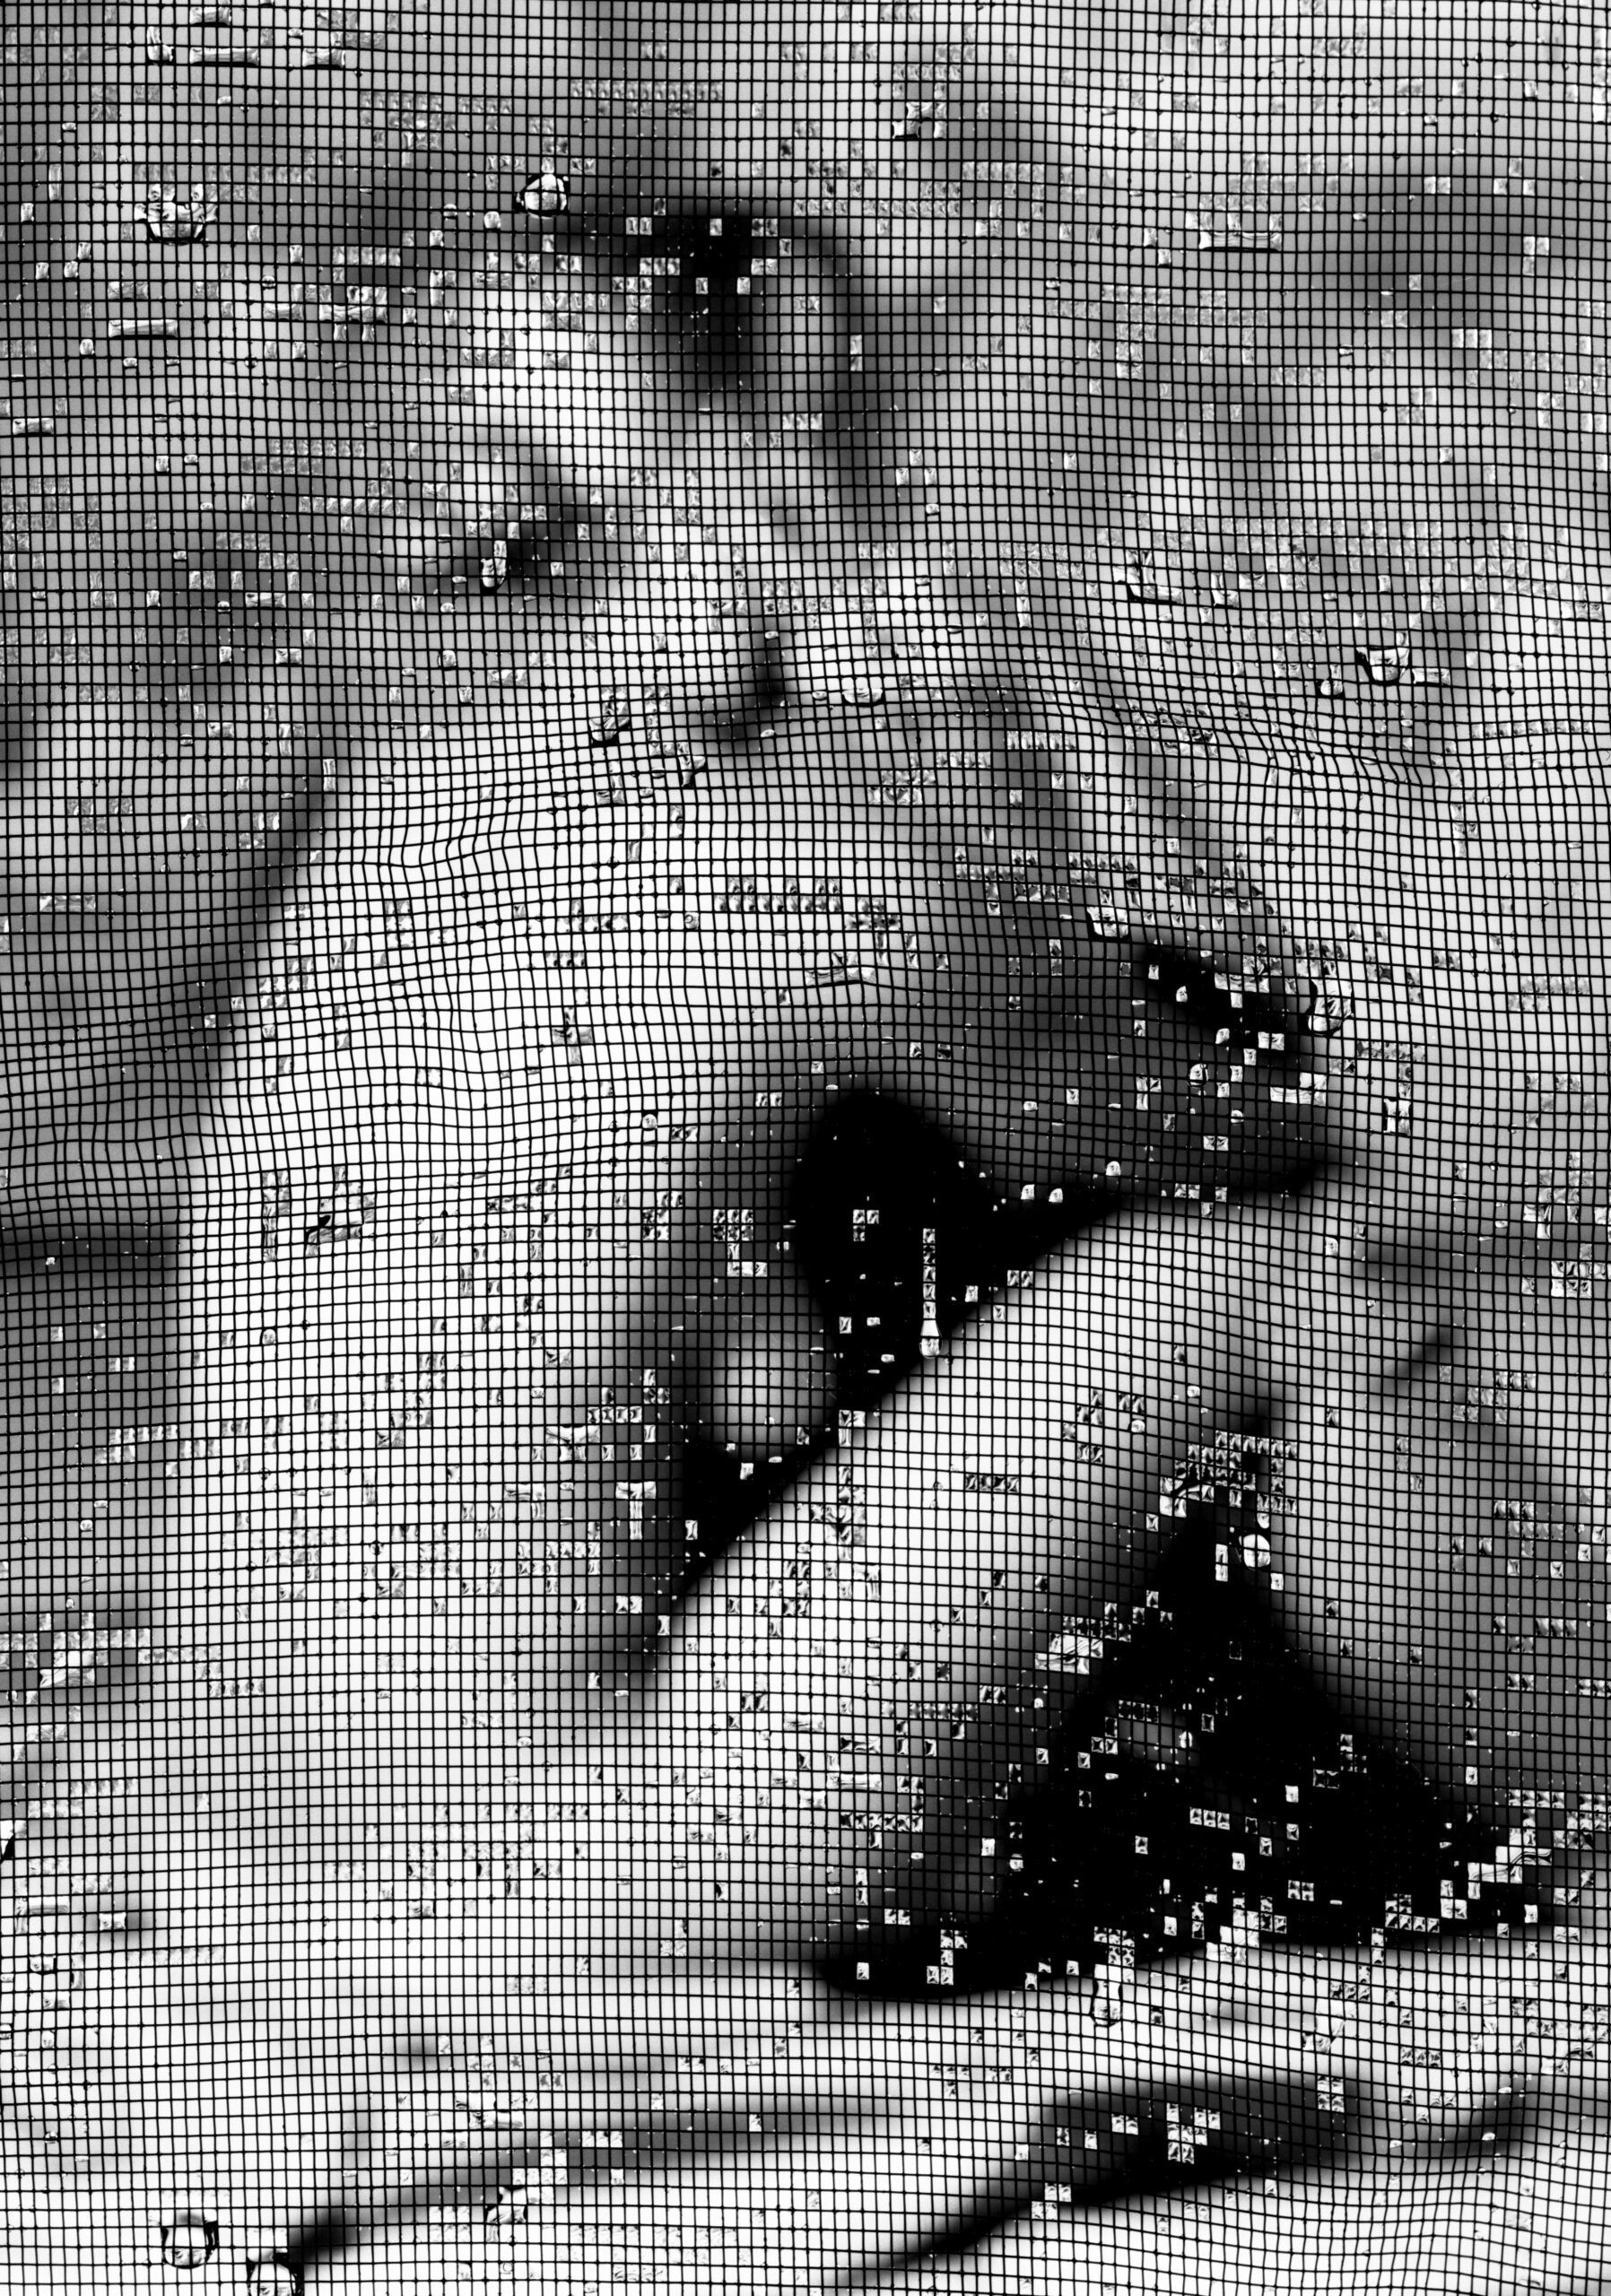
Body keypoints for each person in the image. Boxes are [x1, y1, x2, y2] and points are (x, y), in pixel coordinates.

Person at [2, 0, 1608, 2286]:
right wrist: (1021, 715)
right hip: (566, 1869)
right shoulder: (823, 852)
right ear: (770, 472)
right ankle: (1591, 1806)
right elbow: (1262, 1132)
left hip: (236, 1841)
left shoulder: (384, 834)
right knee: (1254, 1298)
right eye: (862, 447)